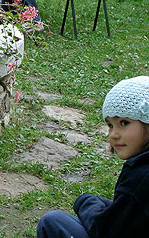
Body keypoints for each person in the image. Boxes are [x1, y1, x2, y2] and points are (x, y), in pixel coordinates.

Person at [36, 75, 149, 238]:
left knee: (53, 221)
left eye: (124, 123)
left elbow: (105, 231)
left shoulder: (141, 177)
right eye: (110, 125)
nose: (113, 135)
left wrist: (85, 202)